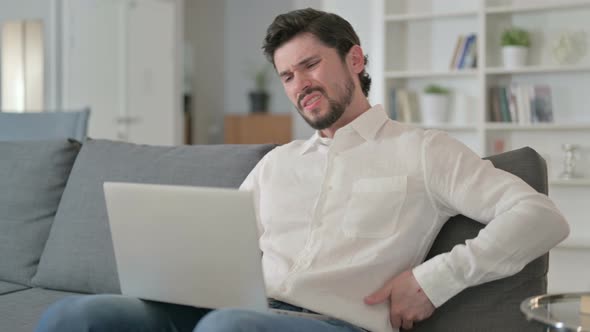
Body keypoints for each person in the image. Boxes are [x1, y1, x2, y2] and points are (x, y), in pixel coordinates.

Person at [36, 8, 569, 332]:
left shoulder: (423, 149)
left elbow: (539, 216)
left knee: (228, 329)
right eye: (288, 75)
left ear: (355, 60)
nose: (299, 84)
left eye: (310, 64)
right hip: (233, 312)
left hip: (331, 325)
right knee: (80, 317)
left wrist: (436, 279)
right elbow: (219, 248)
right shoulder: (276, 164)